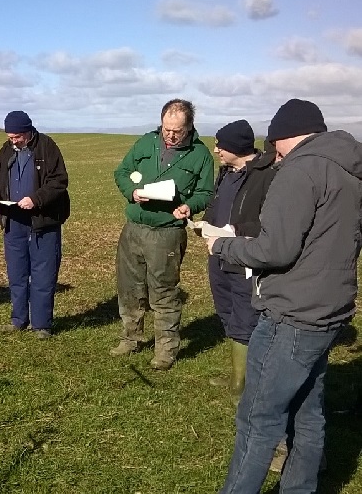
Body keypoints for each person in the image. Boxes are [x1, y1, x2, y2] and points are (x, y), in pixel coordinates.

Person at [209, 99, 362, 493]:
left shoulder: (298, 172)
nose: (272, 153)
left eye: (273, 143)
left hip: (291, 314)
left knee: (258, 419)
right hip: (329, 309)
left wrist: (221, 247)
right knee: (308, 414)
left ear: (283, 137)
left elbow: (274, 250)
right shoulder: (349, 170)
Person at [111, 99, 214, 370]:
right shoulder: (146, 142)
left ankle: (166, 349)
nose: (170, 135)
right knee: (129, 287)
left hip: (167, 232)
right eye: (166, 129)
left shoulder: (200, 155)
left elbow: (205, 192)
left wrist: (188, 206)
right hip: (134, 227)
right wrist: (131, 192)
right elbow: (122, 171)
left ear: (189, 127)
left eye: (177, 131)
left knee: (164, 292)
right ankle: (130, 337)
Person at [201, 121, 277, 404]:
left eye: (221, 145)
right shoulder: (226, 172)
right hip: (218, 254)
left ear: (235, 147)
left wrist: (235, 229)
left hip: (246, 258)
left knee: (246, 317)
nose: (216, 149)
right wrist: (206, 223)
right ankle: (237, 374)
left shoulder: (266, 175)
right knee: (226, 310)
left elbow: (269, 220)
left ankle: (241, 386)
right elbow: (216, 203)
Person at [0, 111, 70, 339]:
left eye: (17, 137)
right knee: (17, 273)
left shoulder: (47, 147)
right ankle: (18, 320)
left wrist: (36, 199)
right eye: (10, 137)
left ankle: (42, 325)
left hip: (42, 222)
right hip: (13, 221)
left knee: (43, 273)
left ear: (28, 131)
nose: (13, 141)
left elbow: (59, 181)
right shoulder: (6, 149)